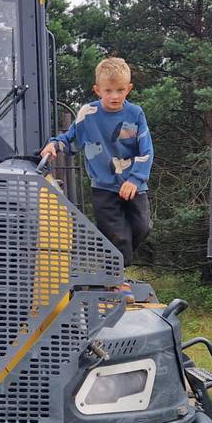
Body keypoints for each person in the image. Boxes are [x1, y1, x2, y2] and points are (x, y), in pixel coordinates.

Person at [40, 57, 153, 272]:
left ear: (128, 89)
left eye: (120, 90)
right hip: (103, 186)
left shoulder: (135, 114)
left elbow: (146, 150)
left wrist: (135, 179)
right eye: (108, 90)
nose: (114, 96)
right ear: (97, 90)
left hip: (133, 184)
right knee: (116, 234)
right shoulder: (88, 114)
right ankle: (116, 278)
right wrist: (54, 145)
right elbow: (70, 139)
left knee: (142, 227)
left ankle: (114, 264)